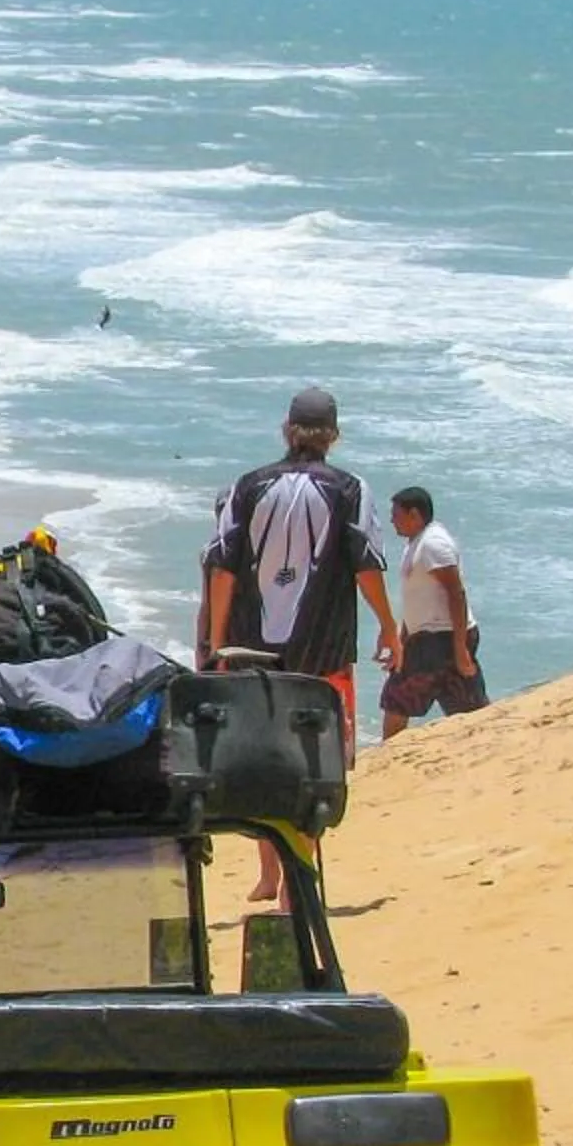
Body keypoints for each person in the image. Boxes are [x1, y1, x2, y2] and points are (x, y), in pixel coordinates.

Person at [201, 386, 398, 903]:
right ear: (333, 436)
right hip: (323, 656)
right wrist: (389, 626)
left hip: (251, 652)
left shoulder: (246, 486)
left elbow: (222, 567)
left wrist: (218, 642)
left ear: (287, 431)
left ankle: (269, 875)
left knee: (262, 761)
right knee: (313, 769)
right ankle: (296, 886)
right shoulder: (350, 489)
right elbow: (366, 566)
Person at [379, 485, 488, 737]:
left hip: (440, 639)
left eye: (396, 515)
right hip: (430, 637)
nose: (392, 521)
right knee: (466, 707)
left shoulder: (433, 545)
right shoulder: (418, 543)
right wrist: (401, 641)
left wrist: (459, 647)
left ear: (414, 515)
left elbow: (456, 593)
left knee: (397, 700)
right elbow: (419, 599)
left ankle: (387, 753)